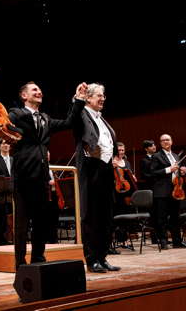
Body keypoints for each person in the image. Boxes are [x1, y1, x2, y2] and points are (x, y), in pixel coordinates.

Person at [0, 81, 86, 270]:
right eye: (34, 90)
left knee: (41, 222)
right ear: (24, 96)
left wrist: (78, 99)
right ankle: (20, 263)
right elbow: (3, 121)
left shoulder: (45, 118)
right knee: (21, 223)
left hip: (41, 178)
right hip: (23, 177)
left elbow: (69, 122)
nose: (39, 91)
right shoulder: (16, 114)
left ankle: (39, 258)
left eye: (39, 89)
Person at [73, 83, 120, 273]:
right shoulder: (81, 114)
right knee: (91, 216)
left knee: (106, 215)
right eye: (98, 95)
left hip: (106, 168)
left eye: (104, 95)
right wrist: (77, 99)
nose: (102, 98)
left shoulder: (101, 118)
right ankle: (92, 259)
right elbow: (74, 117)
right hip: (91, 168)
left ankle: (102, 256)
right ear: (88, 98)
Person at [150, 134, 186, 249]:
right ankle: (163, 241)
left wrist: (182, 172)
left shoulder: (176, 156)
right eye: (163, 140)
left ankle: (177, 241)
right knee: (162, 218)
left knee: (175, 217)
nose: (165, 142)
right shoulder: (156, 156)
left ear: (172, 141)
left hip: (176, 190)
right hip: (162, 191)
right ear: (160, 143)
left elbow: (177, 173)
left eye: (167, 139)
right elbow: (153, 173)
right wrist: (169, 169)